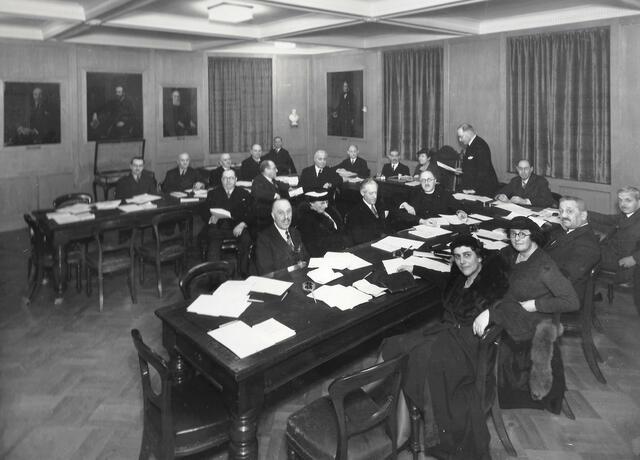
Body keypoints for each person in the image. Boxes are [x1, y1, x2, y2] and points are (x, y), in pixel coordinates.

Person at [380, 235, 510, 459]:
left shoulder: (492, 282)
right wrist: (413, 266)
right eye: (457, 257)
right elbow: (441, 277)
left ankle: (387, 421)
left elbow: (512, 305)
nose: (462, 261)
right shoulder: (459, 277)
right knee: (397, 346)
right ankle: (397, 429)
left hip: (466, 349)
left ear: (479, 257)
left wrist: (491, 312)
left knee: (411, 356)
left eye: (467, 255)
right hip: (447, 336)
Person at [482, 216, 579, 414]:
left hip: (530, 320)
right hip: (512, 308)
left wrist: (535, 304)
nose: (517, 238)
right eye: (512, 234)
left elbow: (572, 302)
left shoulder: (545, 266)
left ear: (533, 237)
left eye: (522, 234)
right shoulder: (513, 254)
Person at [545, 196, 601, 303]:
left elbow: (565, 278)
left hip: (561, 295)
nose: (563, 216)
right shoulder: (570, 231)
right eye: (561, 211)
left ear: (583, 215)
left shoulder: (587, 245)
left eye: (569, 211)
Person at [204, 169, 253, 276]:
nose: (228, 181)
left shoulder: (244, 193)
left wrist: (242, 224)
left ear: (236, 180)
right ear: (221, 180)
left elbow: (250, 213)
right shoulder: (213, 193)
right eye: (225, 178)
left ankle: (243, 273)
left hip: (237, 227)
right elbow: (204, 211)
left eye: (231, 178)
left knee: (246, 240)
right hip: (218, 227)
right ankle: (215, 277)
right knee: (212, 244)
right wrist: (211, 217)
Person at [589, 186, 640, 283]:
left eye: (628, 200)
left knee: (581, 256)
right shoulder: (626, 215)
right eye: (620, 200)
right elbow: (605, 219)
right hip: (613, 253)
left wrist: (634, 258)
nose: (623, 204)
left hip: (625, 263)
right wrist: (582, 212)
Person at [395, 170, 467, 228]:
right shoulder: (415, 193)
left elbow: (458, 207)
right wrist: (406, 205)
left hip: (441, 231)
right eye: (423, 180)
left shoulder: (444, 194)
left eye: (429, 180)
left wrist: (460, 212)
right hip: (420, 230)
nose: (426, 183)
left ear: (435, 181)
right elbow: (399, 207)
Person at [255, 199, 308, 275]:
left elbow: (306, 258)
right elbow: (267, 272)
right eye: (281, 213)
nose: (286, 217)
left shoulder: (295, 232)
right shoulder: (263, 239)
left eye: (288, 211)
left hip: (301, 278)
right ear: (273, 216)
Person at [297, 190, 351, 257]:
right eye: (322, 203)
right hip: (328, 255)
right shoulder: (307, 221)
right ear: (311, 203)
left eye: (327, 202)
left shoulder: (330, 210)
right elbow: (314, 247)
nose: (326, 206)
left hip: (344, 248)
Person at [454, 123, 498, 196]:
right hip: (474, 187)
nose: (460, 140)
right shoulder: (470, 145)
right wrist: (462, 169)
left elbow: (483, 171)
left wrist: (474, 189)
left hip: (483, 189)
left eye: (461, 137)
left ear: (468, 134)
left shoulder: (480, 145)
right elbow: (473, 165)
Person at [345, 179, 390, 245]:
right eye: (371, 193)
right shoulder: (355, 212)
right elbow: (358, 239)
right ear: (362, 193)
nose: (375, 196)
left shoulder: (380, 206)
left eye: (376, 192)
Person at [251, 160, 289, 232]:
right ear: (266, 170)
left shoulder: (272, 180)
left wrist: (288, 187)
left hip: (276, 209)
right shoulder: (258, 180)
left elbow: (282, 186)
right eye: (274, 168)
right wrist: (274, 195)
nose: (277, 170)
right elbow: (258, 194)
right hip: (265, 213)